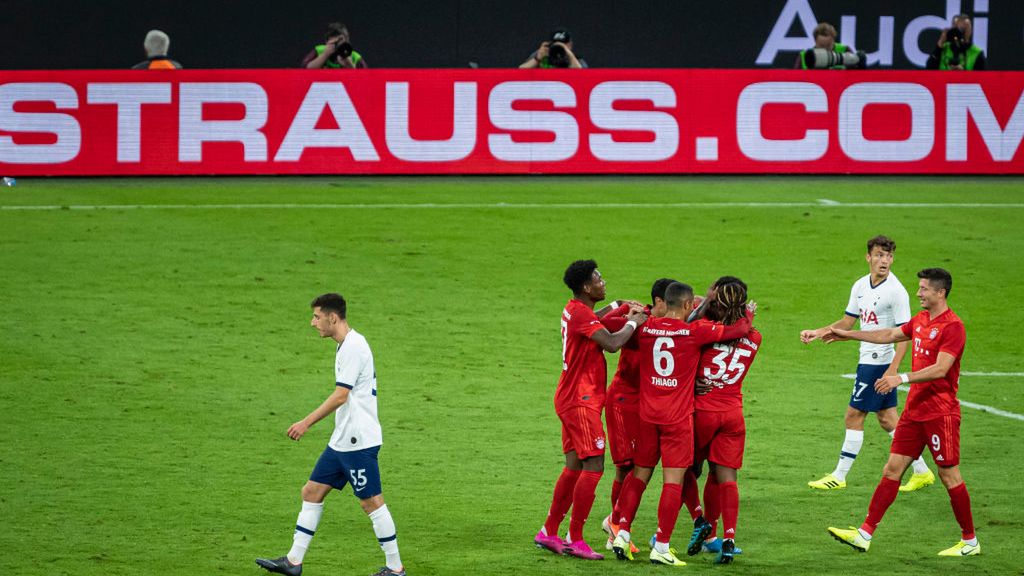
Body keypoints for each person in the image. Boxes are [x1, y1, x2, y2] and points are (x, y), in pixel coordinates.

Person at [824, 268, 979, 557]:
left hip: (940, 414)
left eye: (924, 289)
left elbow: (941, 369)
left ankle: (970, 541)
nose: (918, 293)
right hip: (914, 412)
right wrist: (845, 334)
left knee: (949, 475)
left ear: (940, 293)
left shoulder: (953, 327)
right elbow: (887, 334)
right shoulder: (920, 320)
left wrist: (901, 378)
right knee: (892, 469)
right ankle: (864, 533)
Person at [256, 294, 405, 576]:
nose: (313, 323)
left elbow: (340, 396)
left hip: (357, 442)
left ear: (332, 317)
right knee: (311, 491)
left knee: (371, 502)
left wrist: (306, 422)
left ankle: (395, 569)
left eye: (316, 317)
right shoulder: (347, 344)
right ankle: (293, 561)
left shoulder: (353, 348)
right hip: (342, 440)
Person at [610, 282, 754, 567]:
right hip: (677, 419)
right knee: (673, 481)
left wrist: (626, 311)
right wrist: (748, 314)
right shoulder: (694, 332)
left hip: (647, 416)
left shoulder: (647, 327)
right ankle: (661, 545)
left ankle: (621, 531)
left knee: (639, 475)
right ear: (689, 306)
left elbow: (618, 334)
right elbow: (738, 331)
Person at [801, 236, 935, 491]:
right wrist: (818, 331)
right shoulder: (861, 285)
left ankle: (839, 476)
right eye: (879, 255)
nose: (884, 261)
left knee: (854, 415)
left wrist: (893, 369)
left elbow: (906, 333)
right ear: (869, 257)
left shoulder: (896, 291)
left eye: (889, 256)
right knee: (887, 418)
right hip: (867, 357)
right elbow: (848, 322)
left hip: (878, 362)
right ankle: (922, 471)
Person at [534, 260, 647, 560]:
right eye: (598, 278)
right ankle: (575, 538)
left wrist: (619, 305)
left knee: (573, 467)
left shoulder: (574, 308)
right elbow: (611, 343)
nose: (603, 280)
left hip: (571, 396)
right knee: (593, 466)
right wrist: (634, 321)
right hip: (581, 400)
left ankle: (548, 531)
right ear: (586, 286)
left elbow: (596, 319)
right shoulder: (581, 314)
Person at [678, 277, 761, 565]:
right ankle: (726, 538)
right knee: (724, 477)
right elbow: (739, 332)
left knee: (684, 470)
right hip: (733, 413)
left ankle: (699, 518)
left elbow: (686, 354)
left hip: (702, 411)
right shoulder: (755, 337)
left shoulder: (702, 331)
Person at [599, 278, 678, 556]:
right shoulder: (637, 317)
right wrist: (621, 308)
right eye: (670, 304)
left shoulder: (671, 323)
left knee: (640, 466)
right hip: (623, 400)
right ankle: (615, 525)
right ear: (657, 302)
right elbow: (601, 326)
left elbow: (702, 303)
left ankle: (616, 524)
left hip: (647, 405)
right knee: (626, 466)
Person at [794, 22, 862, 69]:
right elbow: (795, 81)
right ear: (815, 41)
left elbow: (857, 75)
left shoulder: (845, 51)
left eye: (828, 45)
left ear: (833, 40)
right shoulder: (804, 56)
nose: (825, 50)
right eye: (821, 46)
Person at [303, 22, 368, 69]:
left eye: (340, 41)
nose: (338, 46)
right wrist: (325, 55)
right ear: (326, 42)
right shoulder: (319, 51)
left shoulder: (355, 57)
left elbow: (365, 79)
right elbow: (304, 69)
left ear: (347, 41)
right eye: (334, 42)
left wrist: (349, 65)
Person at [519, 29, 586, 69]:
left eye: (563, 44)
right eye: (555, 43)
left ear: (570, 45)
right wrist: (537, 59)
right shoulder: (542, 54)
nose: (558, 46)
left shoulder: (575, 59)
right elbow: (520, 72)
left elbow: (583, 75)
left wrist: (568, 54)